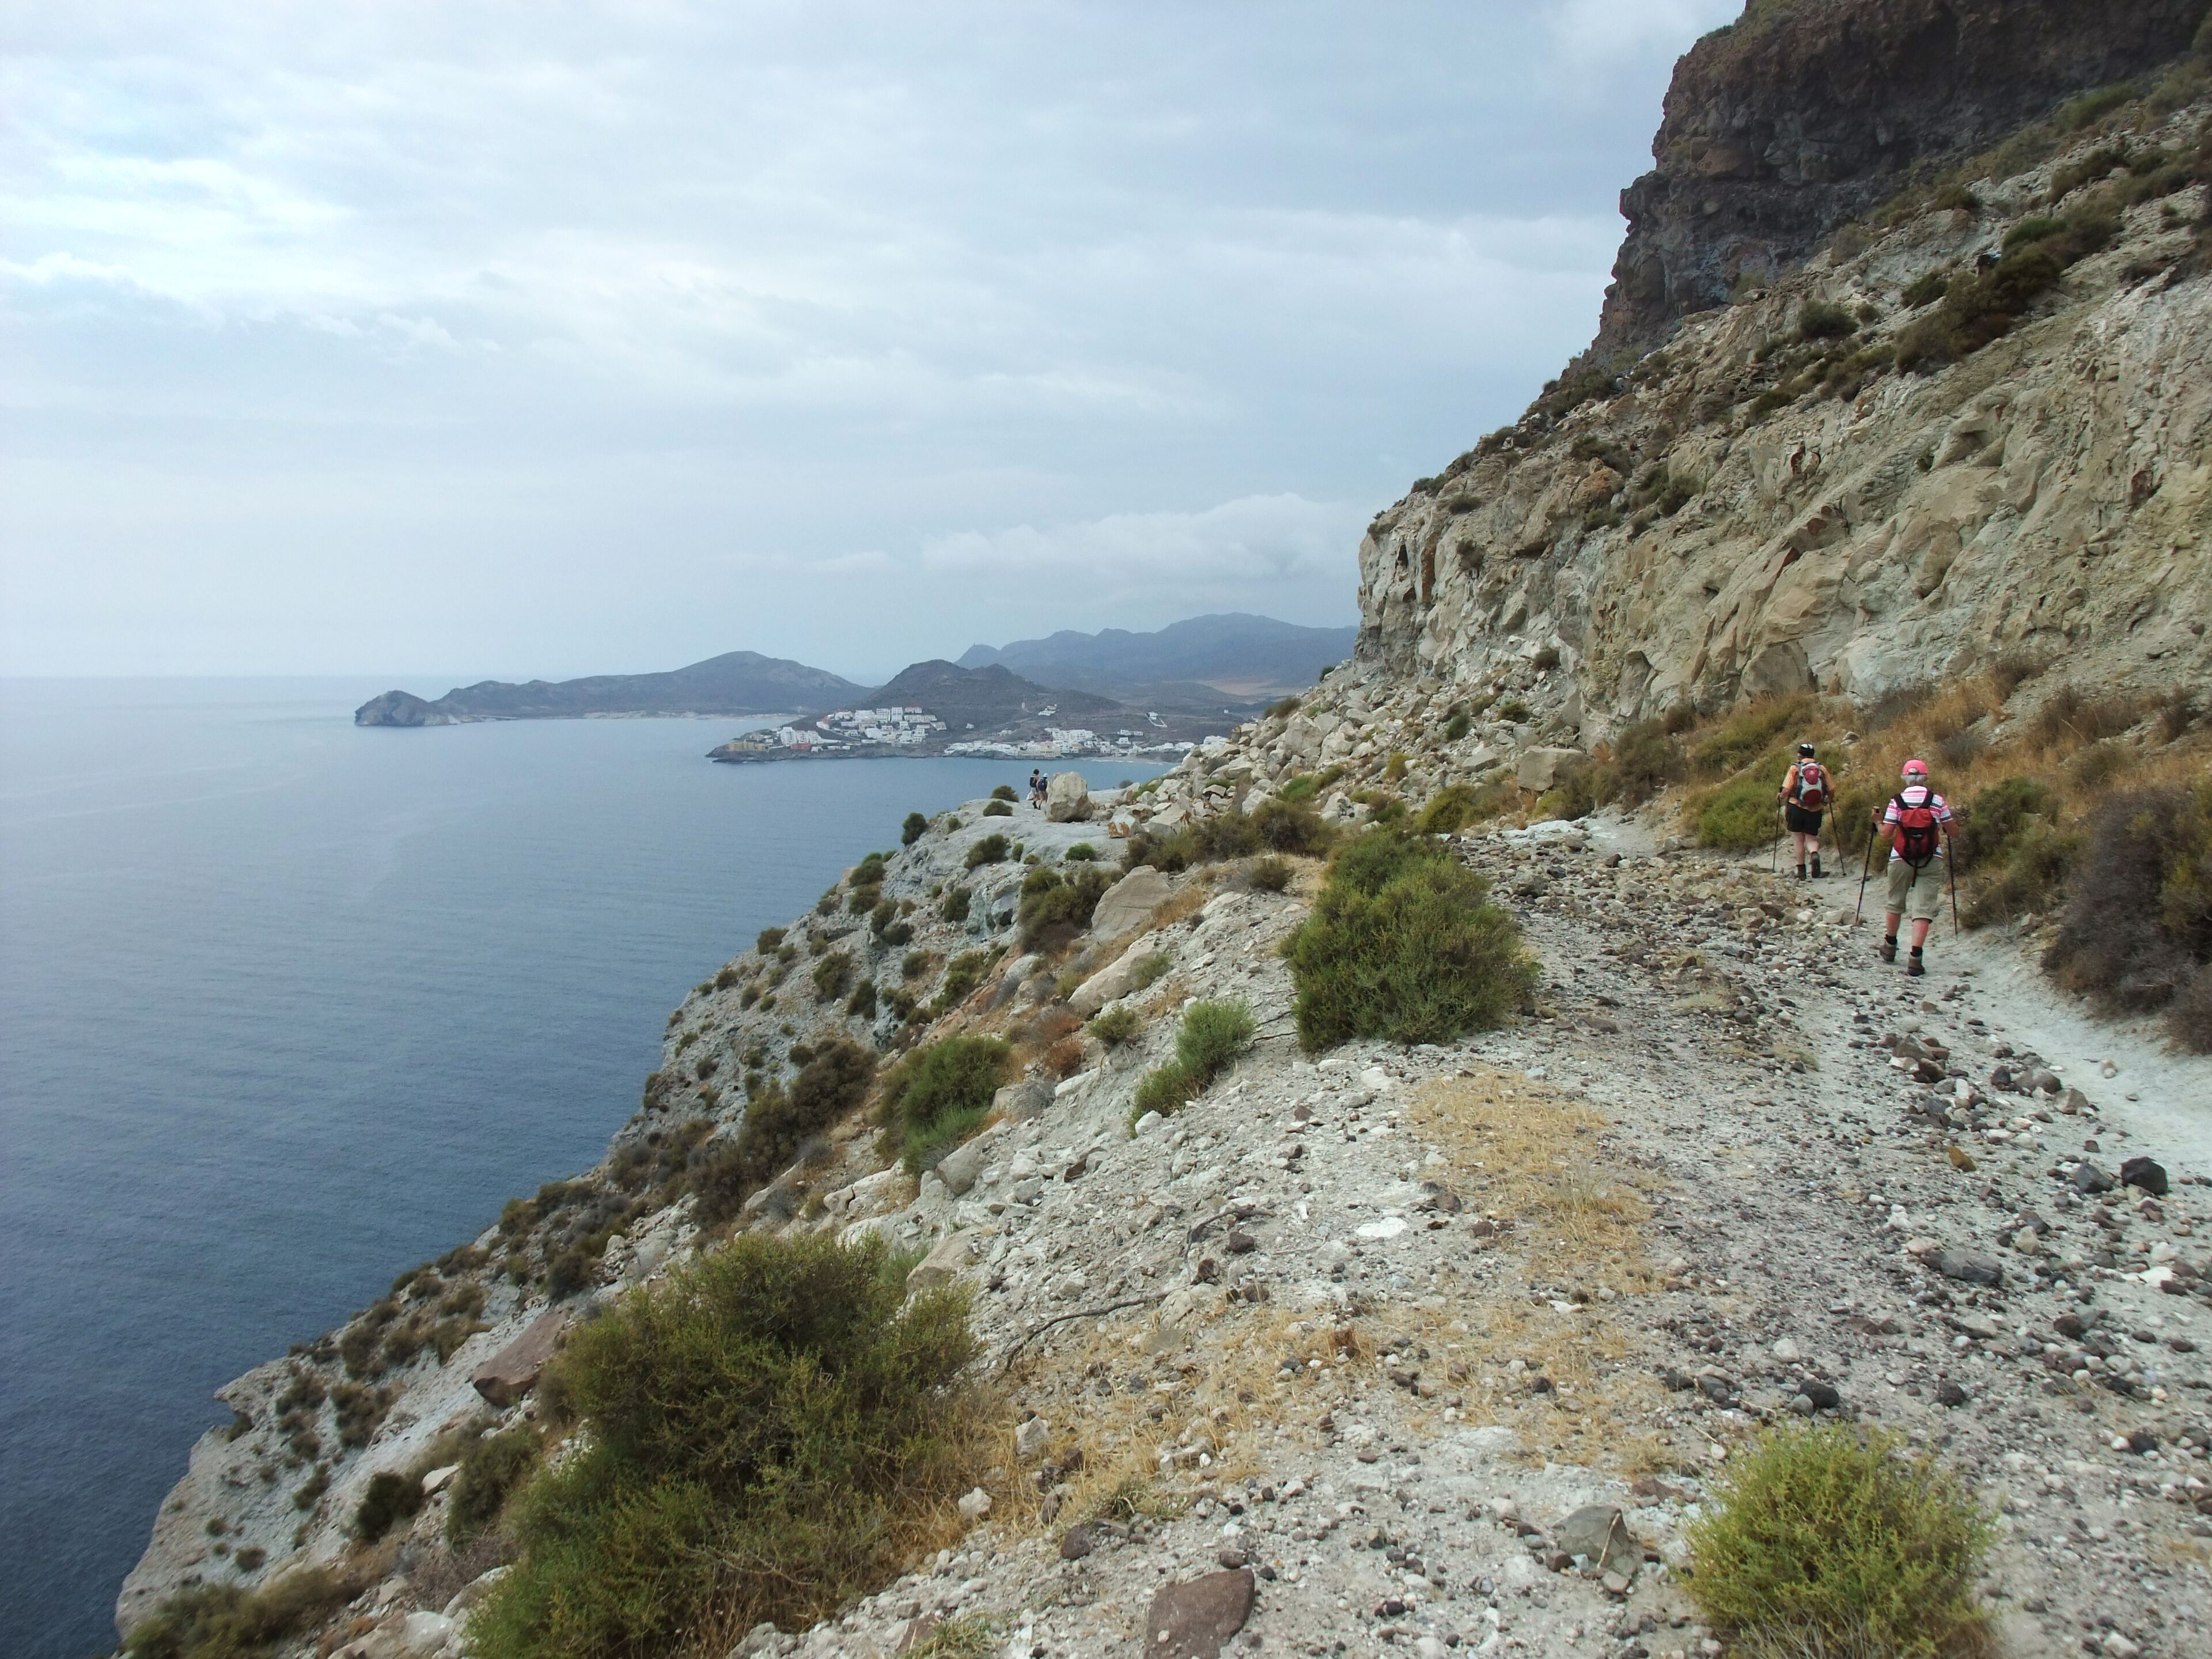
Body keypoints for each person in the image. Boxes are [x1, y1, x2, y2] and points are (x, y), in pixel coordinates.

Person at [1871, 758, 1953, 976]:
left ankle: (1890, 946)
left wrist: (1877, 821)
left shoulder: (1896, 802)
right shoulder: (1937, 801)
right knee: (1923, 909)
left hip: (1901, 858)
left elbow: (1886, 834)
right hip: (1931, 858)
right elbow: (1953, 830)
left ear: (1905, 778)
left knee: (1895, 902)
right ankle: (1916, 957)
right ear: (1925, 777)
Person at [1776, 741, 1831, 879]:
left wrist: (1781, 796)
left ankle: (1801, 871)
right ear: (1813, 755)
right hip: (1815, 808)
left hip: (1796, 807)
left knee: (1798, 839)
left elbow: (1787, 789)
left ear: (1799, 756)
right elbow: (1832, 788)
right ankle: (1814, 854)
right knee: (1811, 838)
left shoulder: (1795, 768)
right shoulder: (1821, 769)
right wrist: (1830, 800)